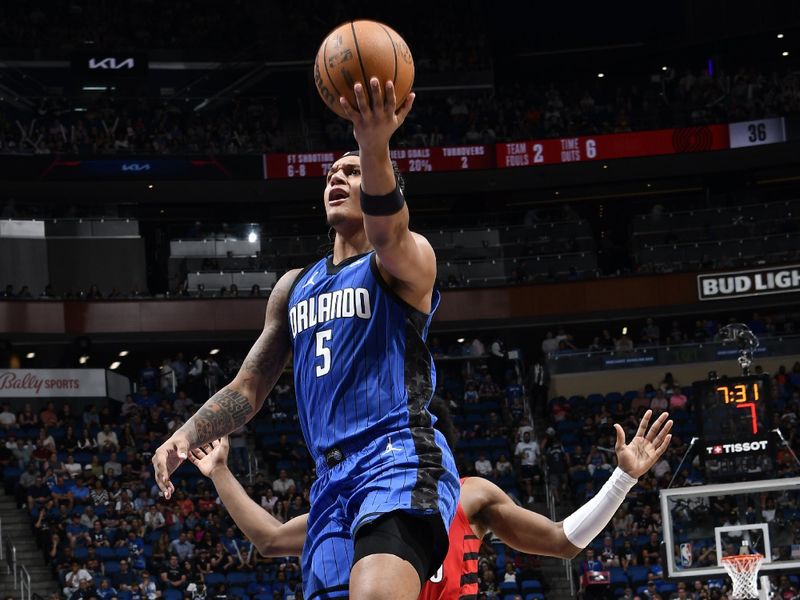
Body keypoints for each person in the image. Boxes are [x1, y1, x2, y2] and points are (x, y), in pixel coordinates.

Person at [153, 77, 459, 600]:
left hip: (396, 456)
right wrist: (188, 431)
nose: (338, 177)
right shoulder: (294, 287)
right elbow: (249, 388)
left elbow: (389, 231)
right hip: (329, 482)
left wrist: (374, 141)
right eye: (333, 172)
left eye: (354, 171)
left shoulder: (407, 262)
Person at [189, 407, 672, 599]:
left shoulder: (472, 496)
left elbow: (562, 541)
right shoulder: (364, 500)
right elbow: (270, 539)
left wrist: (621, 480)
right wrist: (221, 473)